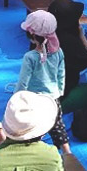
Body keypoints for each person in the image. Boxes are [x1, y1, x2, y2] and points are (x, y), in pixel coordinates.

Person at [15, 11, 70, 154]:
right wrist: (59, 92)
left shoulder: (30, 57)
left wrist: (16, 99)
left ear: (32, 36)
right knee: (58, 127)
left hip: (35, 100)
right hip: (53, 98)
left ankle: (35, 155)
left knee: (33, 129)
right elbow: (61, 74)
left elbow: (23, 82)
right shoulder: (59, 52)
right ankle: (68, 153)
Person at [47, 0, 87, 113]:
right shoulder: (68, 42)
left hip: (37, 94)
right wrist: (81, 35)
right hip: (55, 101)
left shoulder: (43, 35)